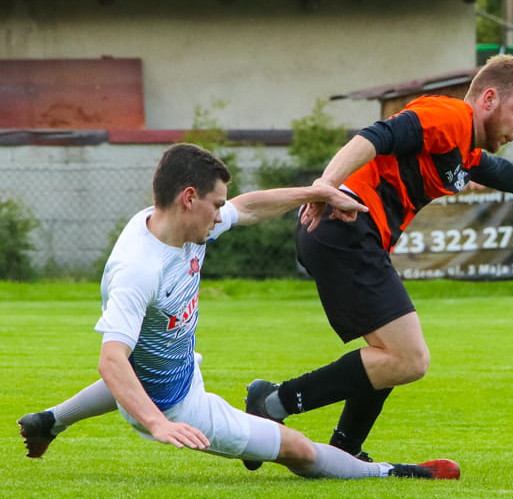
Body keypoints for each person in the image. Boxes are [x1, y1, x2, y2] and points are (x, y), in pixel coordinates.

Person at [17, 143, 459, 480]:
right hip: (178, 408)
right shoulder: (138, 269)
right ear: (189, 197)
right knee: (299, 450)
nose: (222, 213)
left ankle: (49, 422)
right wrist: (158, 424)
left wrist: (316, 191)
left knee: (151, 360)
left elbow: (247, 208)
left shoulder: (176, 223)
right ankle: (390, 472)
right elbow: (111, 361)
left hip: (175, 366)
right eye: (216, 204)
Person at [240, 54, 513, 471]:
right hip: (346, 228)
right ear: (488, 98)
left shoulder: (463, 147)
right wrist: (324, 186)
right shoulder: (450, 116)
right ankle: (272, 402)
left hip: (352, 238)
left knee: (389, 355)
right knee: (410, 358)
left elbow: (493, 169)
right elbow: (375, 135)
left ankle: (344, 447)